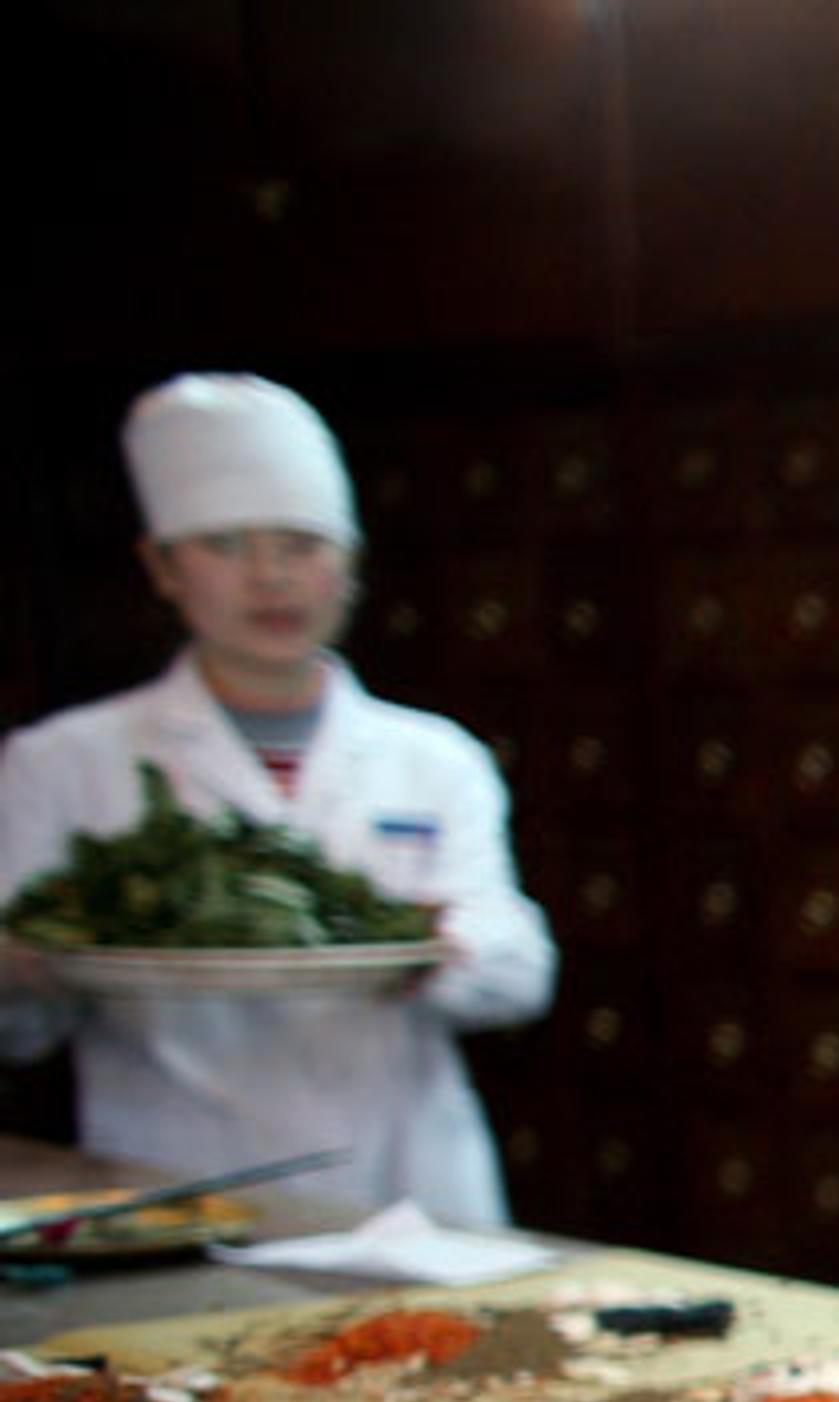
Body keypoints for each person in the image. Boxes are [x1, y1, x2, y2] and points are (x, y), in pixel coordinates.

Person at [0, 373, 554, 1226]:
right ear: (162, 567)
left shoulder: (433, 758)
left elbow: (518, 971)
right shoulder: (62, 763)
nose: (271, 579)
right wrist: (23, 966)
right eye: (225, 545)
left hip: (410, 1187)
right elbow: (21, 1028)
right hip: (173, 1180)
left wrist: (443, 948)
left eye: (301, 545)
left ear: (350, 565)